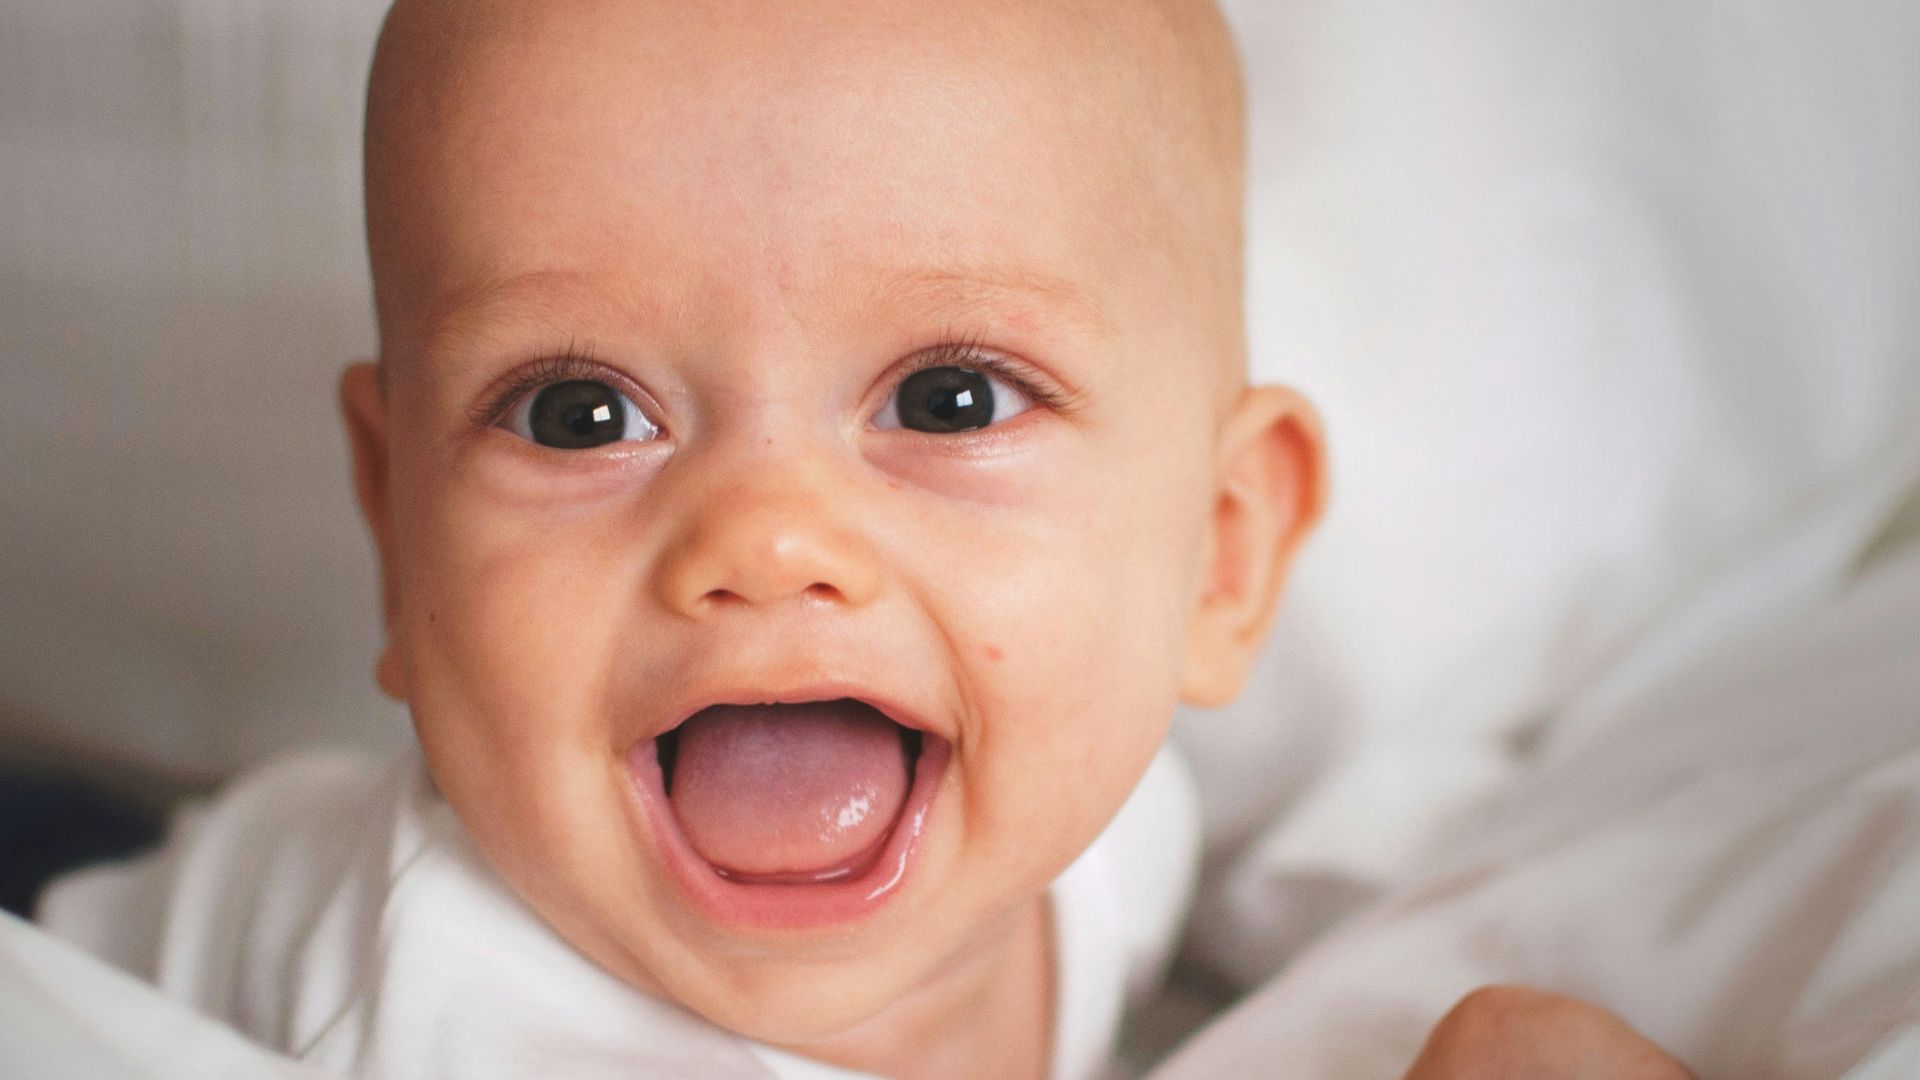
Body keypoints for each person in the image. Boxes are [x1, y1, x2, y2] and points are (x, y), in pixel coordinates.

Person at [37, 1, 1327, 1077]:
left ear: (1218, 553)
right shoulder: (449, 1024)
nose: (763, 538)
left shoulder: (1121, 828)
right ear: (398, 531)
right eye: (580, 415)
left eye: (950, 402)